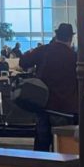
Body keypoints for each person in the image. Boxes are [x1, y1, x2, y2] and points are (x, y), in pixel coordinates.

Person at [20, 23, 78, 151]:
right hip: (66, 108)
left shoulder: (44, 50)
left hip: (44, 105)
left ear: (56, 35)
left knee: (42, 146)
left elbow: (23, 62)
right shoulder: (74, 57)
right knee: (64, 147)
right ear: (70, 38)